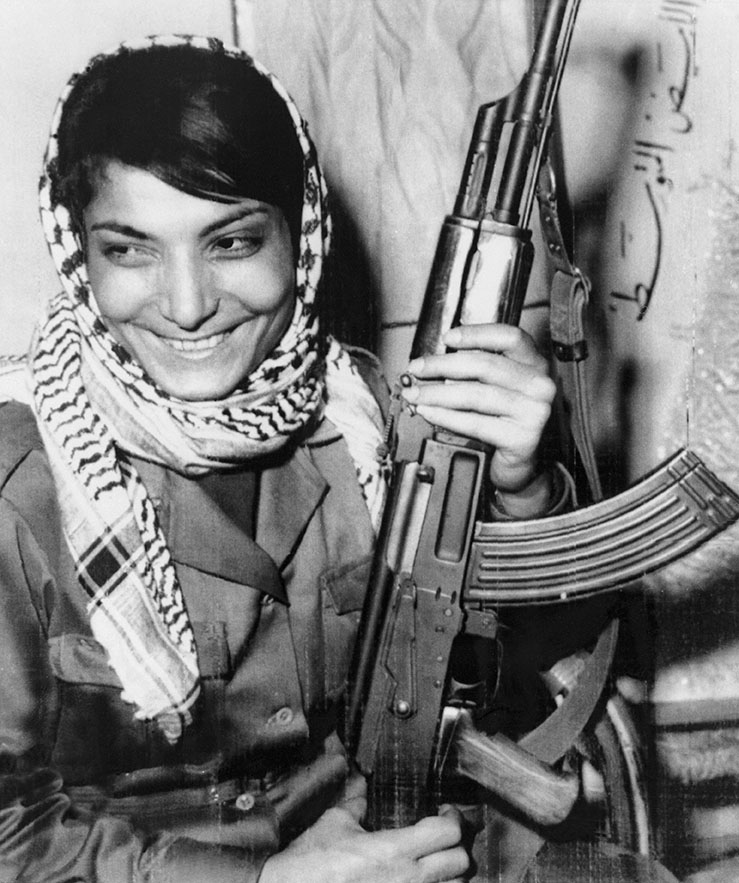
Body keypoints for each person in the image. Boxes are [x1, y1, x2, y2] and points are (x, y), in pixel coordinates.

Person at [0, 35, 591, 883]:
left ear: (300, 234)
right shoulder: (22, 484)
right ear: (78, 253)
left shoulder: (369, 421)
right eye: (129, 249)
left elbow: (518, 663)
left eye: (232, 242)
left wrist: (521, 485)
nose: (188, 305)